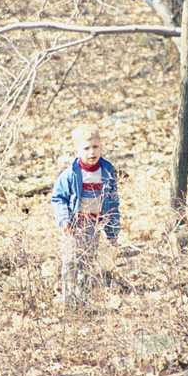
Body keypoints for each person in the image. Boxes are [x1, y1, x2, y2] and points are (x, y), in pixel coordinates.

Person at [52, 124, 120, 307]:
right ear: (76, 151)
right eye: (86, 148)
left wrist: (112, 233)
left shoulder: (106, 172)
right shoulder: (70, 175)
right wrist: (64, 220)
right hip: (74, 226)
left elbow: (113, 204)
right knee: (71, 261)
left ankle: (82, 300)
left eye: (95, 147)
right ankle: (68, 300)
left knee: (87, 263)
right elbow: (58, 198)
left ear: (101, 147)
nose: (92, 152)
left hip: (93, 226)